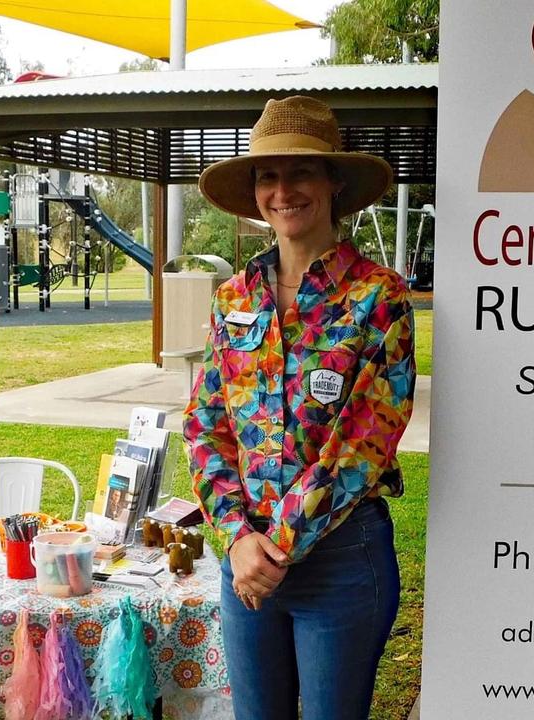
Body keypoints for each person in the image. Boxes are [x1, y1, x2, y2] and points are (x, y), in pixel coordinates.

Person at [184, 95, 416, 720]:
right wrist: (236, 541)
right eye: (267, 175)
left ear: (334, 182)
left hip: (340, 562)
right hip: (246, 560)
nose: (282, 190)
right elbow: (206, 424)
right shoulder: (234, 296)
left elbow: (364, 443)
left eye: (301, 172)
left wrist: (273, 549)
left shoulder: (378, 298)